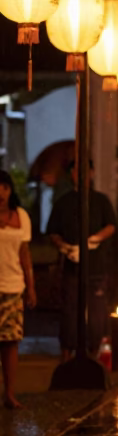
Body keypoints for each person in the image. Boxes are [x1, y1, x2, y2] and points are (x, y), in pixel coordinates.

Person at [47, 160, 116, 361]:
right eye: (77, 172)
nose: (82, 175)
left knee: (96, 310)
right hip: (72, 265)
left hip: (95, 265)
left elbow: (111, 225)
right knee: (70, 309)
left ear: (92, 173)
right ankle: (67, 352)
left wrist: (94, 239)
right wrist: (64, 247)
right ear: (72, 175)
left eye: (86, 171)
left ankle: (94, 351)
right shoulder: (64, 202)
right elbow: (53, 231)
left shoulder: (101, 200)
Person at [0, 170, 36, 408]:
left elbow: (25, 255)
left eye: (3, 187)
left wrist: (31, 287)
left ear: (10, 190)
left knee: (11, 342)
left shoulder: (21, 216)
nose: (0, 193)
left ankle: (10, 393)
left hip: (13, 286)